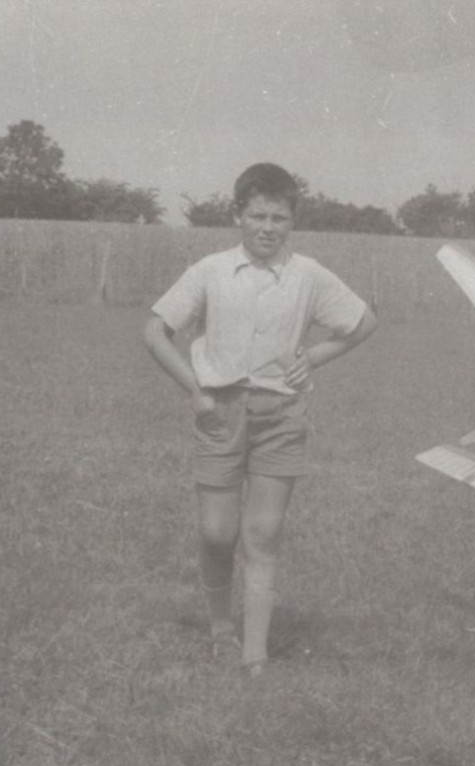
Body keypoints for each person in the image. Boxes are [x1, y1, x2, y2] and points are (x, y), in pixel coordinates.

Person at [143, 163, 377, 677]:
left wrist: (313, 357)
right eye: (257, 216)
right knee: (216, 532)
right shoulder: (210, 271)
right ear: (237, 216)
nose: (267, 228)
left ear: (292, 220)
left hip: (281, 415)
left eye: (279, 218)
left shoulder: (309, 276)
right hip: (220, 414)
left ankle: (255, 656)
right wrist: (196, 391)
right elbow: (156, 332)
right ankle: (221, 629)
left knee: (264, 534)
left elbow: (364, 322)